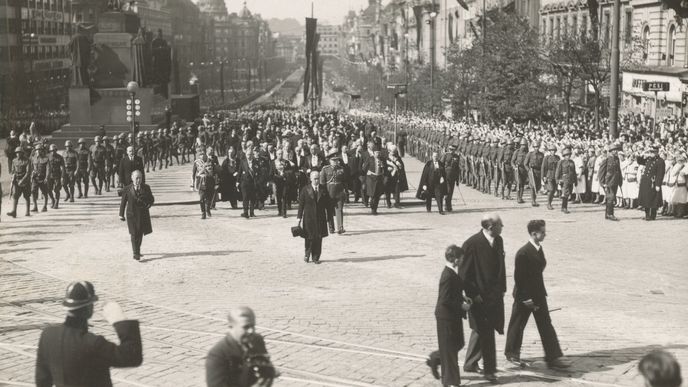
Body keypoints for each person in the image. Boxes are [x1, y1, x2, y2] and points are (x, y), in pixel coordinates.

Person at [35, 281, 142, 387]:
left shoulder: (48, 335)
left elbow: (42, 380)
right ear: (88, 307)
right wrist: (120, 321)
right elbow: (131, 357)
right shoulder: (93, 343)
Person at [504, 220, 571, 370]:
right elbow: (519, 278)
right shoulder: (523, 252)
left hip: (539, 294)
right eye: (542, 232)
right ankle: (512, 353)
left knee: (545, 324)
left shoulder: (538, 248)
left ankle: (553, 356)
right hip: (524, 295)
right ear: (534, 234)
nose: (545, 234)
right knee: (518, 324)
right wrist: (526, 298)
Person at [459, 213, 506, 383]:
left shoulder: (498, 241)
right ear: (490, 227)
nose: (503, 227)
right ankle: (490, 370)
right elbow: (463, 274)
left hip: (495, 294)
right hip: (479, 297)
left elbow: (501, 266)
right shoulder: (472, 244)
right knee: (486, 331)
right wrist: (473, 295)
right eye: (500, 224)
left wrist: (502, 289)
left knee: (482, 329)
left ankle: (471, 362)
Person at [205, 307, 275, 387]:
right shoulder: (218, 354)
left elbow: (266, 367)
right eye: (246, 327)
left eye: (253, 326)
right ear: (231, 327)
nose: (251, 331)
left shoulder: (257, 340)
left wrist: (269, 372)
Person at [435, 244, 471, 387]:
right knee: (450, 350)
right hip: (446, 317)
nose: (462, 261)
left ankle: (435, 358)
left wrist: (463, 298)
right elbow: (445, 299)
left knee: (457, 344)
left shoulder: (451, 273)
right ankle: (451, 382)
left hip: (452, 316)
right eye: (461, 258)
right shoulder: (447, 275)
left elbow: (452, 293)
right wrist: (461, 305)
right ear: (455, 259)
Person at [297, 170, 332, 264]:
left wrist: (330, 218)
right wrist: (299, 219)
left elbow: (328, 205)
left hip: (320, 218)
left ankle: (316, 257)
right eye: (315, 179)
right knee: (309, 237)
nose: (317, 180)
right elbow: (301, 205)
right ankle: (307, 254)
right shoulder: (305, 189)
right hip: (309, 218)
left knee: (318, 237)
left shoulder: (323, 189)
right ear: (311, 179)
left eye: (318, 178)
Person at [119, 170, 154, 261]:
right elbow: (123, 202)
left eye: (140, 178)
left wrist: (149, 204)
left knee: (140, 233)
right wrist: (121, 214)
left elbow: (151, 199)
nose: (138, 180)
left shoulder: (146, 188)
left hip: (142, 214)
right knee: (134, 233)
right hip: (131, 214)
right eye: (136, 178)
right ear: (132, 178)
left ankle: (137, 250)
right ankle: (136, 253)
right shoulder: (127, 189)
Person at [320, 152, 347, 234]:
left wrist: (345, 191)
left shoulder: (341, 168)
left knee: (340, 209)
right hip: (329, 192)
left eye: (336, 160)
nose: (335, 162)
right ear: (329, 161)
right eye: (333, 160)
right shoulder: (325, 169)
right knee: (329, 210)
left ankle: (340, 227)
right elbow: (322, 183)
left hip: (339, 192)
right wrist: (324, 194)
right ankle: (331, 227)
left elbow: (344, 181)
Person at [638, 145, 666, 221]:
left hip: (653, 182)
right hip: (646, 182)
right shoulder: (648, 159)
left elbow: (660, 174)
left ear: (657, 152)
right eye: (650, 152)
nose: (651, 153)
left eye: (653, 152)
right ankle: (647, 215)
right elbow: (639, 161)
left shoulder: (660, 161)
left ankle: (653, 215)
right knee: (646, 199)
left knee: (654, 199)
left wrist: (658, 184)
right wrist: (642, 153)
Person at [598, 143, 623, 221]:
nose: (615, 151)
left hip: (615, 181)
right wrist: (602, 183)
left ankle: (607, 214)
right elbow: (601, 172)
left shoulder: (617, 159)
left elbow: (619, 170)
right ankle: (610, 214)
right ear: (610, 151)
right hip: (608, 181)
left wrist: (620, 181)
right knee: (611, 198)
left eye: (616, 150)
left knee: (611, 197)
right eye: (614, 150)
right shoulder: (606, 159)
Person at [6, 147, 32, 218]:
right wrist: (12, 176)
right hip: (17, 181)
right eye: (17, 153)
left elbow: (28, 172)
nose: (18, 154)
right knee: (15, 195)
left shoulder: (27, 160)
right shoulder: (14, 161)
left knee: (26, 196)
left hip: (25, 181)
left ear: (22, 153)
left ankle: (27, 211)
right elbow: (12, 170)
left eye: (19, 152)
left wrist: (22, 180)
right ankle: (14, 211)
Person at [193, 151, 218, 219]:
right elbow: (194, 174)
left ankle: (208, 209)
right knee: (201, 199)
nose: (202, 156)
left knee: (209, 198)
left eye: (203, 154)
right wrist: (193, 184)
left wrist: (216, 183)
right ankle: (203, 213)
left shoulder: (211, 161)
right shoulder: (197, 163)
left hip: (210, 182)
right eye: (200, 155)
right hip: (202, 183)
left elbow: (215, 173)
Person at [238, 147, 260, 219]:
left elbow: (258, 171)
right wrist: (237, 181)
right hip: (244, 182)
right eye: (248, 154)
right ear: (245, 154)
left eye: (251, 154)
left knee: (253, 198)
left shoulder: (255, 162)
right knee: (245, 197)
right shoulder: (243, 161)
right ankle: (245, 212)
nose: (249, 156)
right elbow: (239, 172)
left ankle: (252, 212)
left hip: (253, 182)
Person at [554, 147, 577, 214]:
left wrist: (575, 181)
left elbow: (574, 172)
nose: (568, 156)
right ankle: (564, 208)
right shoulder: (561, 162)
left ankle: (562, 207)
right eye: (566, 155)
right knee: (565, 194)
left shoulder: (572, 162)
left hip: (571, 179)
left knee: (568, 193)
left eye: (569, 155)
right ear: (564, 156)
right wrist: (557, 180)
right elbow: (558, 171)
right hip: (564, 180)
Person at [31, 143, 51, 213]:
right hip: (35, 178)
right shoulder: (33, 158)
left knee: (45, 192)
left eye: (40, 150)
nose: (38, 151)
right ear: (35, 151)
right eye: (37, 150)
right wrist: (31, 174)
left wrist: (47, 177)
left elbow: (48, 169)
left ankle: (45, 206)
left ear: (42, 151)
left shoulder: (46, 159)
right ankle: (35, 206)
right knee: (33, 191)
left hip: (43, 178)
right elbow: (31, 168)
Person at [541, 144, 560, 210]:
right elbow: (544, 167)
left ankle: (550, 203)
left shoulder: (558, 158)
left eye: (554, 150)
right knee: (551, 189)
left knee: (554, 190)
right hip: (549, 175)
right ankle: (548, 203)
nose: (553, 152)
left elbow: (559, 167)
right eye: (551, 150)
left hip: (556, 175)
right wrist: (543, 176)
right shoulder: (547, 158)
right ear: (550, 151)